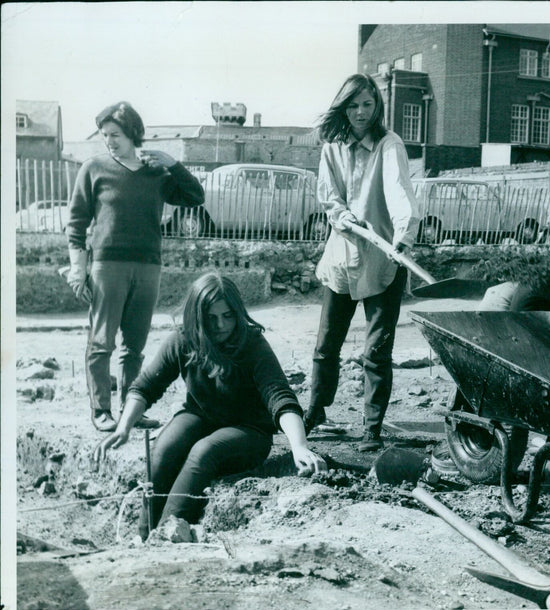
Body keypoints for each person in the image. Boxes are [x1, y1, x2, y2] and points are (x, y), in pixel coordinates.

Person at [93, 273, 327, 540]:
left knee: (205, 452)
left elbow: (281, 399)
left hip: (248, 430)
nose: (221, 325)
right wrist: (123, 428)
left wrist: (299, 446)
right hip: (201, 417)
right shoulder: (183, 340)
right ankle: (143, 536)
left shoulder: (252, 344)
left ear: (237, 313)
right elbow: (145, 387)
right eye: (211, 318)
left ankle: (167, 536)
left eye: (227, 316)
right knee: (165, 446)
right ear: (197, 317)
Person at [66, 102, 205, 432]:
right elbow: (76, 223)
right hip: (106, 266)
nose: (109, 141)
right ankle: (101, 410)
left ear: (133, 134)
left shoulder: (156, 171)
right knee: (101, 342)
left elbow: (195, 195)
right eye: (105, 136)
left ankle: (131, 409)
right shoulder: (94, 168)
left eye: (115, 134)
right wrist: (77, 268)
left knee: (135, 347)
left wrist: (171, 162)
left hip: (148, 267)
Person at [304, 73, 421, 452]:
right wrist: (342, 217)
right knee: (326, 344)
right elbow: (330, 198)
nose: (360, 112)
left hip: (384, 257)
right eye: (352, 105)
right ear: (343, 106)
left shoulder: (390, 145)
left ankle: (371, 427)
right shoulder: (332, 147)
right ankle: (316, 411)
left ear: (378, 106)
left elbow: (399, 192)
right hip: (342, 256)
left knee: (376, 351)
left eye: (367, 105)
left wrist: (402, 237)